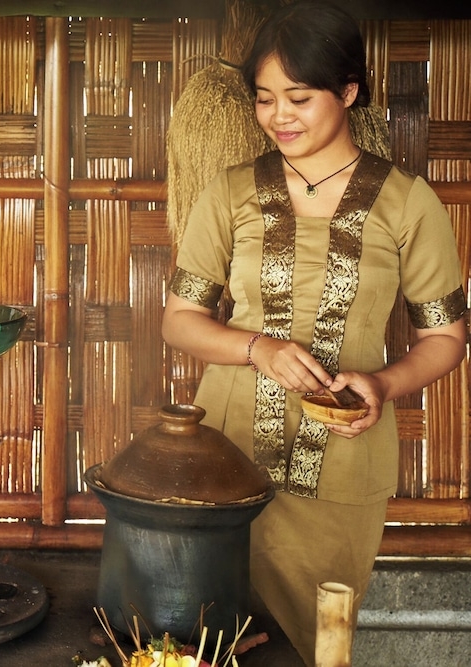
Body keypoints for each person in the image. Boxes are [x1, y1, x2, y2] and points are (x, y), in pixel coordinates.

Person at [162, 2, 467, 664]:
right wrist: (256, 347)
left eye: (299, 97)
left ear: (348, 91)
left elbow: (446, 337)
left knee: (316, 647)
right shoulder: (229, 192)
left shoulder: (408, 202)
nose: (279, 116)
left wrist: (384, 382)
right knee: (208, 644)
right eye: (265, 99)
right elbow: (179, 320)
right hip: (226, 467)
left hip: (344, 473)